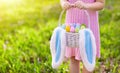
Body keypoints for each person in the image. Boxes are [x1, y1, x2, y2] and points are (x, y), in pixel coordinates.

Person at [60, 0, 105, 73]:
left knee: (88, 57)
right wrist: (64, 3)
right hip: (72, 24)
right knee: (73, 57)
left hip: (89, 25)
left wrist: (86, 5)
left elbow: (101, 4)